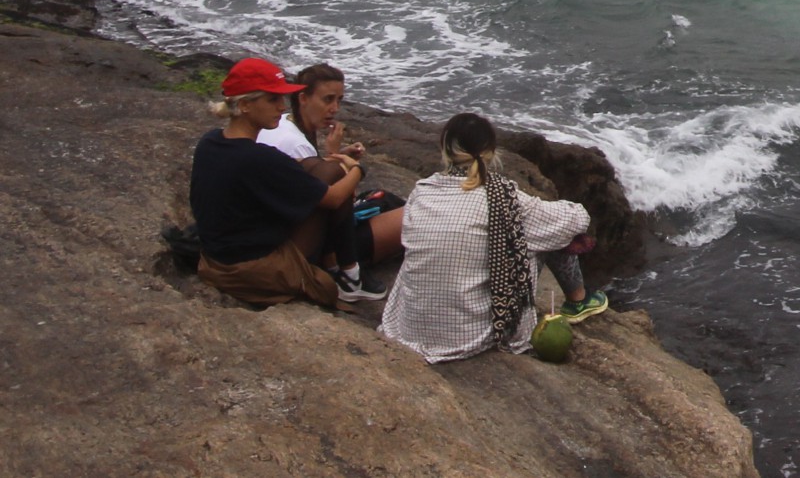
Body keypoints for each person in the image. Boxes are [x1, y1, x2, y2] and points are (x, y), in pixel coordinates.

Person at [380, 113, 608, 363]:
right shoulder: (503, 198)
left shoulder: (421, 191)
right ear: (490, 152)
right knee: (549, 230)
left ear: (444, 149)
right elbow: (578, 220)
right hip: (469, 335)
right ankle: (579, 301)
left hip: (410, 329)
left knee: (531, 229)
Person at [189, 57, 380, 307]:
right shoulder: (258, 157)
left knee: (319, 169)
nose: (281, 106)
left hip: (215, 258)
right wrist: (357, 169)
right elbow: (333, 199)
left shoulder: (211, 141)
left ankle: (346, 269)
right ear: (245, 105)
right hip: (249, 269)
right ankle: (348, 275)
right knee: (333, 183)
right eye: (273, 99)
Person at [257, 63, 404, 291]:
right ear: (303, 98)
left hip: (288, 231)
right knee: (411, 217)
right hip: (309, 245)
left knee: (386, 201)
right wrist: (337, 161)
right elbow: (334, 201)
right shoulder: (296, 145)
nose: (335, 108)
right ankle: (348, 274)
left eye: (339, 100)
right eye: (327, 100)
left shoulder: (284, 123)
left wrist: (331, 157)